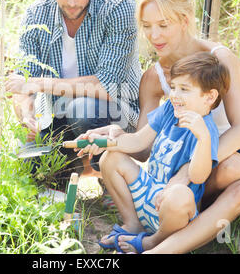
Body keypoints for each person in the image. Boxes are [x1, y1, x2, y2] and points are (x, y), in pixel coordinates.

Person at [79, 0, 240, 253]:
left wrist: (186, 172)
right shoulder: (154, 78)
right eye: (147, 26)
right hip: (184, 163)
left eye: (164, 25)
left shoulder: (220, 61)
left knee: (234, 171)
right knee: (182, 180)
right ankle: (175, 213)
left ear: (185, 20)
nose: (154, 35)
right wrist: (116, 136)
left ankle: (159, 248)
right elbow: (144, 148)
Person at [5, 0, 141, 176]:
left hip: (115, 115)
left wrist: (38, 84)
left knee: (83, 109)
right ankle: (68, 179)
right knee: (28, 160)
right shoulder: (36, 14)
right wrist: (26, 115)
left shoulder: (118, 9)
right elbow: (23, 79)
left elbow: (108, 86)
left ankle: (111, 177)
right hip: (58, 114)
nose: (72, 2)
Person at [90, 52, 230, 253]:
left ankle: (155, 241)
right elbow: (138, 141)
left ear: (209, 97)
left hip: (173, 213)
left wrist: (203, 138)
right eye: (173, 87)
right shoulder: (169, 110)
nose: (174, 95)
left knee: (180, 195)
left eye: (184, 89)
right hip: (150, 193)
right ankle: (133, 224)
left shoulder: (206, 131)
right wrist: (106, 143)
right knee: (111, 158)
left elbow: (198, 176)